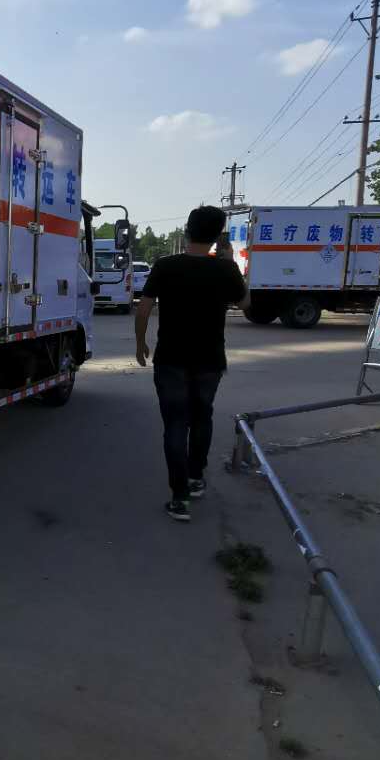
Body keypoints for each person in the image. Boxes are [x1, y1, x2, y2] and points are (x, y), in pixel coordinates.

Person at [135, 205, 249, 522]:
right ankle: (196, 478)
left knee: (175, 424)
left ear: (187, 230)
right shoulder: (225, 269)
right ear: (217, 236)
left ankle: (179, 498)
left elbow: (143, 309)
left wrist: (140, 343)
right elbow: (246, 303)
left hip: (171, 359)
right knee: (202, 418)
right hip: (210, 360)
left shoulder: (165, 266)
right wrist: (231, 263)